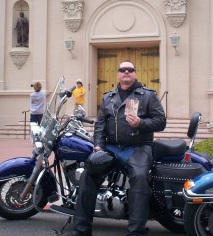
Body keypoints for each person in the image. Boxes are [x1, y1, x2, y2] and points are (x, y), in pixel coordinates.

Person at [64, 60, 166, 236]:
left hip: (138, 147)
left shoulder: (147, 95)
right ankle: (81, 229)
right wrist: (98, 146)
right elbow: (100, 124)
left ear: (135, 73)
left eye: (130, 69)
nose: (126, 72)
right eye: (122, 69)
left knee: (140, 177)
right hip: (111, 148)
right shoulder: (108, 97)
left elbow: (161, 122)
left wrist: (141, 123)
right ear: (118, 74)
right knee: (88, 175)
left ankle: (136, 231)